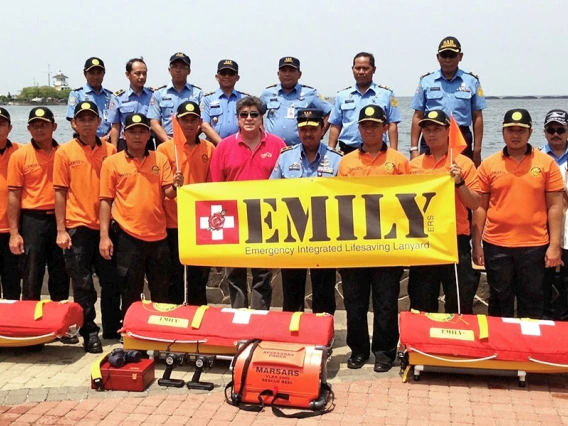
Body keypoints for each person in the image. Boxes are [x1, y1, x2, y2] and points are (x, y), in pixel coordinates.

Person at [472, 109, 564, 319]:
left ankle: (530, 350)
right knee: (499, 301)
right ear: (503, 132)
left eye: (521, 130)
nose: (515, 135)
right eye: (510, 130)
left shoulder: (546, 163)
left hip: (535, 245)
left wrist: (554, 246)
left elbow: (555, 207)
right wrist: (477, 244)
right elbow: (480, 207)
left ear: (530, 132)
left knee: (532, 302)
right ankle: (500, 349)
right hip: (497, 245)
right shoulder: (489, 164)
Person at [337, 105, 409, 373]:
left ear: (384, 128)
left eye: (375, 125)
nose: (369, 130)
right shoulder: (346, 162)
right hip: (354, 246)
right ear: (359, 129)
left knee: (386, 303)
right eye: (365, 125)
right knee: (354, 303)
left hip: (388, 246)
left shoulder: (400, 161)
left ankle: (384, 352)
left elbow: (409, 202)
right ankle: (358, 351)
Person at [53, 101, 122, 352]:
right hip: (77, 226)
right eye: (81, 119)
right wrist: (61, 229)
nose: (86, 123)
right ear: (74, 123)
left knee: (111, 281)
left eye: (91, 118)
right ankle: (90, 331)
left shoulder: (111, 151)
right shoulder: (64, 152)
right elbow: (59, 193)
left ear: (98, 121)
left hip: (107, 226)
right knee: (82, 284)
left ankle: (113, 327)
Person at [99, 113, 183, 316]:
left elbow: (169, 194)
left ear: (149, 135)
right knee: (129, 289)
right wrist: (104, 236)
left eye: (142, 131)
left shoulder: (160, 158)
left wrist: (176, 184)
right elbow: (105, 200)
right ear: (124, 135)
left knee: (161, 290)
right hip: (128, 236)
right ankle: (131, 336)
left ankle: (158, 333)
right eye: (132, 132)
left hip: (158, 236)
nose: (137, 136)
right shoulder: (112, 162)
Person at [209, 96, 286, 309]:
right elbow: (216, 187)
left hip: (266, 218)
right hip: (233, 219)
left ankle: (260, 316)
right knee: (235, 273)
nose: (249, 118)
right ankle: (239, 314)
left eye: (254, 114)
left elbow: (285, 185)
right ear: (237, 119)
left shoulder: (278, 145)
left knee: (262, 274)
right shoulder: (223, 147)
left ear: (262, 118)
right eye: (244, 115)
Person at [270, 108, 342, 314]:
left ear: (322, 130)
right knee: (292, 289)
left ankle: (323, 332)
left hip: (325, 234)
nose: (308, 133)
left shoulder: (337, 159)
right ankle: (294, 332)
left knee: (324, 289)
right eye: (303, 129)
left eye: (313, 129)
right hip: (292, 233)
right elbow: (271, 191)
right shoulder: (285, 157)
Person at [408, 110, 481, 314]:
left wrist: (460, 183)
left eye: (437, 129)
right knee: (421, 303)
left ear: (448, 131)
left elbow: (475, 203)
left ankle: (458, 345)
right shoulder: (413, 166)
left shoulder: (463, 163)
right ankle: (421, 345)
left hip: (455, 241)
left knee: (459, 301)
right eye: (427, 129)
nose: (431, 134)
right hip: (424, 242)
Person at [8, 108, 72, 330]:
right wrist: (15, 233)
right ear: (28, 129)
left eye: (44, 124)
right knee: (32, 274)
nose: (39, 128)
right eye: (34, 124)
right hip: (33, 220)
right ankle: (29, 326)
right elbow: (14, 196)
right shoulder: (19, 156)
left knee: (61, 273)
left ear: (54, 126)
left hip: (60, 220)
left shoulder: (64, 153)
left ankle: (60, 326)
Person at [157, 101, 215, 305]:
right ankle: (176, 317)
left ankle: (199, 315)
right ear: (177, 122)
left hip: (200, 223)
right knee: (174, 275)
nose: (189, 125)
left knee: (199, 276)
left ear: (200, 122)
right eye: (184, 120)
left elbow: (212, 184)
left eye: (193, 120)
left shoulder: (209, 148)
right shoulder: (165, 149)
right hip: (173, 221)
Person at [410, 37, 487, 167]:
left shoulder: (471, 81)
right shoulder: (426, 81)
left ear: (460, 56)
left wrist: (477, 149)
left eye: (452, 55)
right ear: (437, 57)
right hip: (431, 134)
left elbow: (477, 116)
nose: (448, 59)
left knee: (462, 174)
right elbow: (418, 115)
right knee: (428, 176)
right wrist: (413, 148)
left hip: (461, 135)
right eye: (444, 55)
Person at [328, 52, 401, 153]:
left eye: (365, 68)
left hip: (377, 151)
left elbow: (392, 124)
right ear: (352, 69)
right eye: (357, 68)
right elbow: (336, 125)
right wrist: (331, 152)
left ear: (374, 69)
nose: (361, 72)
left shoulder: (386, 94)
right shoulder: (342, 95)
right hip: (347, 151)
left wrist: (393, 152)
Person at [260, 57, 331, 146]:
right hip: (272, 147)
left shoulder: (310, 93)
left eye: (291, 71)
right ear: (278, 74)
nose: (287, 74)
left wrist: (320, 133)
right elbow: (256, 113)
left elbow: (330, 112)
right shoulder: (268, 93)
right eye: (284, 71)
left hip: (299, 148)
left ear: (299, 74)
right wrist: (261, 133)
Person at [540, 109, 568, 319]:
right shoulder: (537, 158)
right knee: (544, 288)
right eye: (551, 129)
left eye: (561, 129)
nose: (555, 134)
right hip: (543, 234)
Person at [148, 52, 203, 145]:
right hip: (165, 142)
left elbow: (202, 121)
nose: (178, 70)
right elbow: (154, 123)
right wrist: (169, 142)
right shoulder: (159, 94)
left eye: (182, 67)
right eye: (175, 66)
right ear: (169, 70)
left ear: (189, 71)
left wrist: (189, 139)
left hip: (190, 142)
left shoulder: (198, 93)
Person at [107, 58, 155, 152]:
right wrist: (113, 149)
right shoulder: (118, 97)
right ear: (128, 74)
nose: (141, 77)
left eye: (144, 73)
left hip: (146, 141)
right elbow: (115, 126)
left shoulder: (154, 95)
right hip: (124, 141)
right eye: (137, 73)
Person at [201, 59, 249, 144]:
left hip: (240, 146)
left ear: (237, 78)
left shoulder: (245, 99)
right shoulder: (208, 99)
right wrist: (223, 145)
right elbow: (204, 126)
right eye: (223, 73)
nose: (227, 76)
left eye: (231, 73)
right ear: (217, 77)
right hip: (215, 147)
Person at [0, 108, 21, 300]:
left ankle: (10, 328)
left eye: (1, 123)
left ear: (10, 127)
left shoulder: (20, 152)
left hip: (12, 230)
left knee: (12, 283)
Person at [66, 57, 112, 140]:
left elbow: (116, 123)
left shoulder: (111, 96)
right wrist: (93, 139)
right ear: (85, 74)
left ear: (103, 74)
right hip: (84, 141)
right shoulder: (77, 94)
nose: (95, 76)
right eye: (92, 73)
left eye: (98, 73)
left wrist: (107, 137)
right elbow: (73, 123)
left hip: (108, 141)